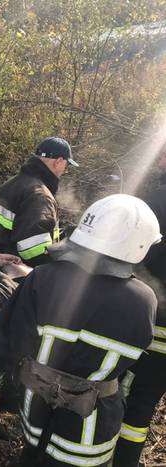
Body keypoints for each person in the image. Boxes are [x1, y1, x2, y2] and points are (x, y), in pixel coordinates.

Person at [0, 194, 161, 466]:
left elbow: (7, 342)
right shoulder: (144, 300)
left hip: (35, 413)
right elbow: (130, 370)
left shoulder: (42, 278)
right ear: (139, 245)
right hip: (92, 431)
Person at [113, 160, 166, 466]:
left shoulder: (156, 201)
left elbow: (133, 257)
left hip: (154, 325)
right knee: (146, 401)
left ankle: (119, 460)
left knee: (132, 402)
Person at [0, 136, 78, 266]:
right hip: (22, 276)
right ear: (59, 161)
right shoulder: (40, 196)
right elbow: (34, 252)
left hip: (2, 267)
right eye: (66, 166)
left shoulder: (14, 182)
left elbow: (17, 229)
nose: (65, 171)